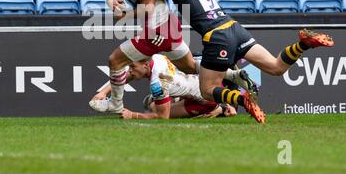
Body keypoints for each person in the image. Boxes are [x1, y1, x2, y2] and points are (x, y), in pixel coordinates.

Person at [112, 0, 335, 124]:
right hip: (235, 29)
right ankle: (303, 45)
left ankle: (241, 99)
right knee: (276, 67)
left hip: (217, 36)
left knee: (207, 91)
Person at [90, 0, 252, 115]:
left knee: (115, 60)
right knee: (189, 66)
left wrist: (124, 15)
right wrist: (112, 3)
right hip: (169, 27)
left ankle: (115, 104)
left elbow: (148, 9)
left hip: (157, 32)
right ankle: (233, 75)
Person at [90, 54, 240, 120]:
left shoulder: (158, 83)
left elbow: (162, 117)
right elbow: (128, 75)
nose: (129, 70)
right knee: (152, 102)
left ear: (146, 65)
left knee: (155, 108)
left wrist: (133, 115)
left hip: (207, 99)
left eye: (132, 66)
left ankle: (218, 109)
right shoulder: (156, 57)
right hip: (204, 83)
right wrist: (103, 92)